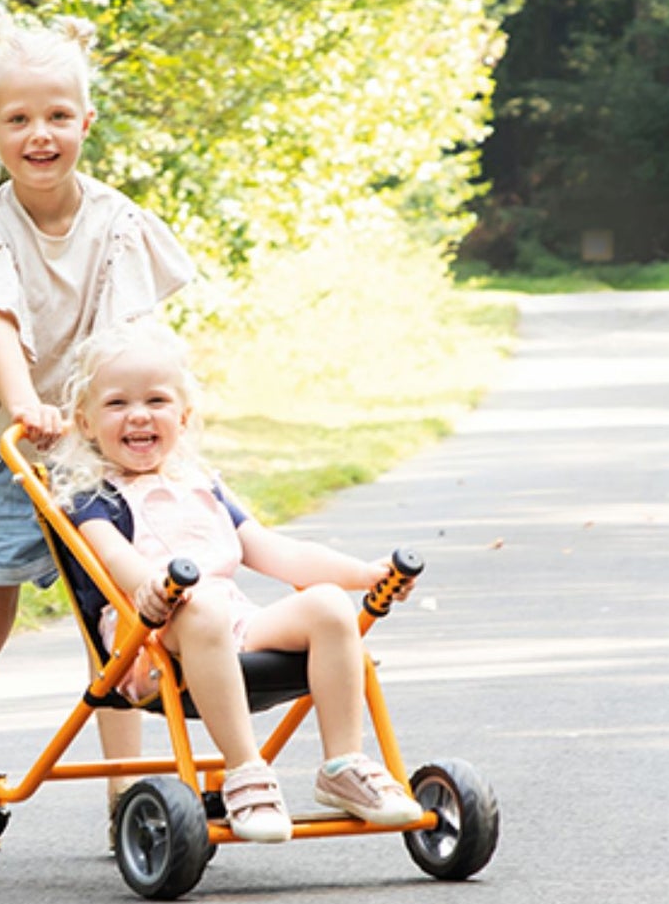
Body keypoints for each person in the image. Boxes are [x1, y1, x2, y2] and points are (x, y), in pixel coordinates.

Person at [0, 4, 193, 852]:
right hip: (7, 444)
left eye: (58, 117)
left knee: (119, 611)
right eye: (20, 120)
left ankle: (126, 796)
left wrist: (128, 412)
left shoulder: (117, 224)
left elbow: (127, 335)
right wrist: (29, 408)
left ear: (85, 122)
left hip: (95, 444)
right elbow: (0, 327)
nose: (41, 134)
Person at [52, 319, 423, 843]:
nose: (138, 415)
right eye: (117, 404)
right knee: (199, 606)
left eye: (156, 401)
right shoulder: (94, 498)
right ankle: (245, 769)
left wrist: (363, 575)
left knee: (327, 605)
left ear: (183, 416)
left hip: (231, 623)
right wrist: (152, 587)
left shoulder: (201, 487)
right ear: (86, 423)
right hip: (150, 639)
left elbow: (277, 551)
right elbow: (114, 560)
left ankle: (342, 764)